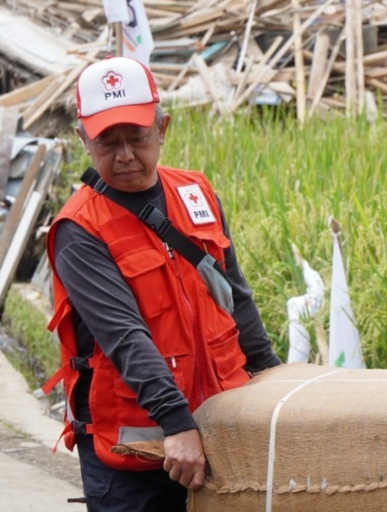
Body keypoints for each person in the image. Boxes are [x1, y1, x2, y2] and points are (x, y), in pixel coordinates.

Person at [43, 56, 281, 512]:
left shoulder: (195, 193)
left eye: (137, 137)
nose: (126, 155)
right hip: (139, 452)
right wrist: (176, 424)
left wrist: (270, 375)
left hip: (219, 432)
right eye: (107, 142)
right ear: (82, 141)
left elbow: (235, 295)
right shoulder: (80, 228)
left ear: (162, 127)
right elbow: (124, 337)